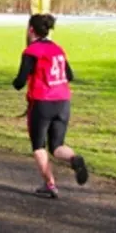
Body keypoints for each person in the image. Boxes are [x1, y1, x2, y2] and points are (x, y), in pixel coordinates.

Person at [11, 13, 88, 198]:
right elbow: (69, 76)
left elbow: (20, 81)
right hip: (62, 101)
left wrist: (16, 83)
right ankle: (73, 158)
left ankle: (50, 184)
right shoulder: (58, 49)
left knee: (38, 146)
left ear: (31, 30)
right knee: (57, 146)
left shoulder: (31, 51)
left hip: (42, 102)